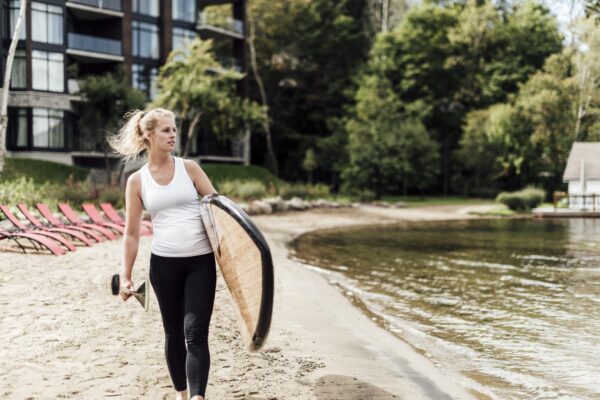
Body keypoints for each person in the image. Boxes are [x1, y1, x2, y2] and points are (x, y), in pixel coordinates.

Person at [109, 108, 217, 400]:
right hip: (164, 266)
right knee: (173, 334)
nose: (173, 135)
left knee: (194, 333)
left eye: (174, 130)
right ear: (148, 135)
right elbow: (131, 234)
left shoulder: (190, 168)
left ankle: (197, 397)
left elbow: (217, 209)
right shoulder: (137, 181)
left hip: (200, 263)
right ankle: (182, 395)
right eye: (166, 130)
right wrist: (126, 276)